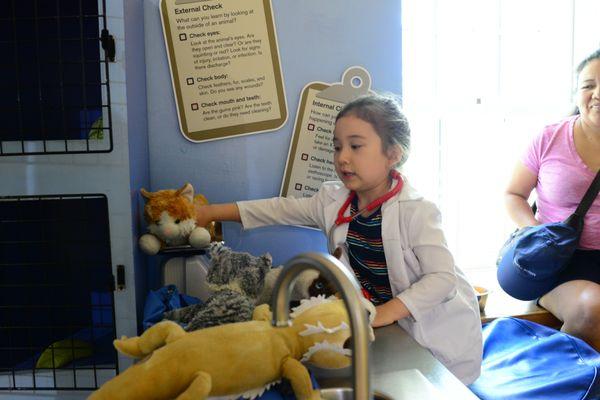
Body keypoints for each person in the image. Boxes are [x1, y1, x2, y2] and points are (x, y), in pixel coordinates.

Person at [195, 93, 482, 384]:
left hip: (440, 341)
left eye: (356, 146)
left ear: (393, 154)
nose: (342, 157)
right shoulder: (333, 201)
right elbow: (280, 209)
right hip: (385, 331)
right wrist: (210, 213)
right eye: (337, 146)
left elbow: (442, 278)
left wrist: (385, 313)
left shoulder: (417, 211)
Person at [504, 49, 600, 351]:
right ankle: (558, 381)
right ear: (577, 92)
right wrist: (535, 232)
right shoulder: (550, 138)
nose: (597, 94)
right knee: (593, 307)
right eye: (588, 85)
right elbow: (513, 194)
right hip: (559, 261)